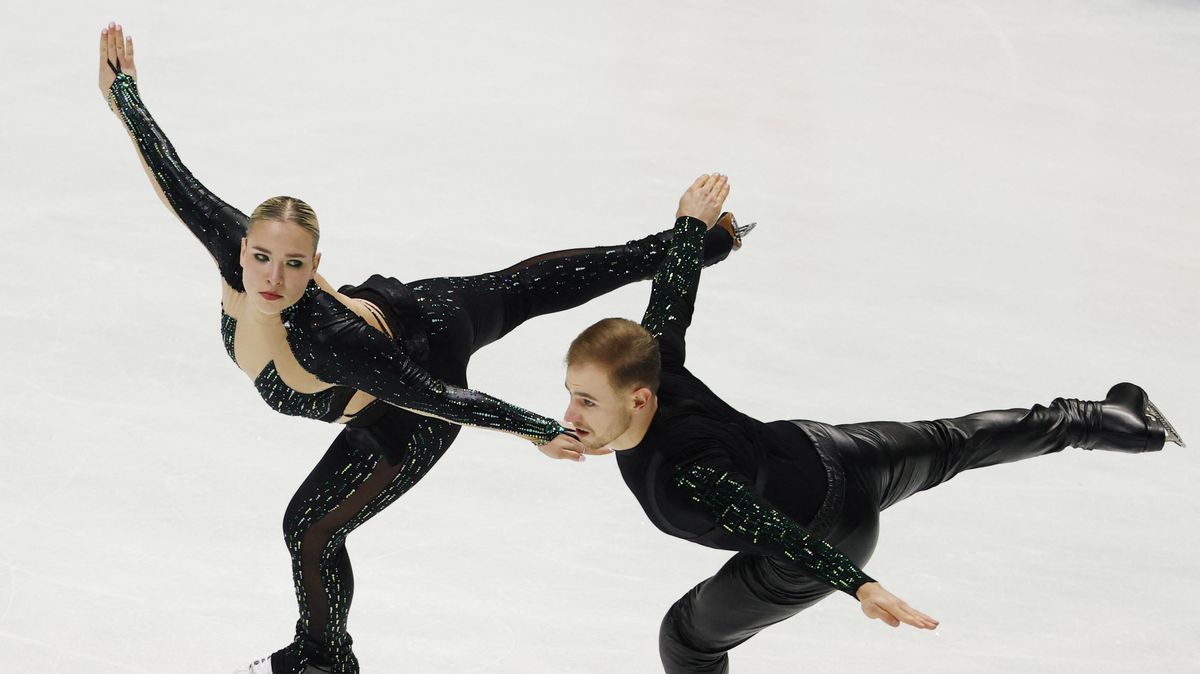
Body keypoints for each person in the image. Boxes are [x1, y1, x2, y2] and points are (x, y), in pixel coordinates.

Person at [96, 24, 751, 674]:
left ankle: (323, 663)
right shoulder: (235, 250)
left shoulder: (328, 342)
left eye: (293, 265)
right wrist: (122, 91)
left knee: (312, 527)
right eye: (261, 257)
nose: (271, 279)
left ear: (316, 265)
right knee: (523, 287)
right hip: (413, 319)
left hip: (408, 402)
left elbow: (439, 398)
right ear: (239, 248)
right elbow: (172, 174)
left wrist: (538, 431)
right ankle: (705, 243)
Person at [560, 173, 1185, 673]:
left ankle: (1104, 421)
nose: (571, 414)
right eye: (571, 396)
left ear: (639, 399)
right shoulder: (656, 361)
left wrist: (860, 586)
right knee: (954, 441)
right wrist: (690, 226)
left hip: (822, 542)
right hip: (830, 453)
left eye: (587, 402)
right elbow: (671, 298)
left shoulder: (680, 477)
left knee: (686, 641)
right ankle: (1111, 421)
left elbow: (776, 531)